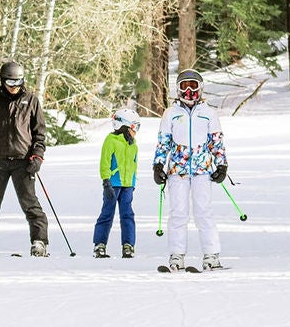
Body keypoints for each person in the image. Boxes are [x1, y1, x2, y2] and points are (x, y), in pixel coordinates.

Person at [0, 60, 49, 257]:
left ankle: (39, 241)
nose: (14, 87)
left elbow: (39, 133)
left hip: (24, 161)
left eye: (18, 82)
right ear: (2, 81)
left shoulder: (31, 101)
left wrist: (37, 156)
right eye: (10, 83)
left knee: (29, 202)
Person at [153, 68, 227, 271]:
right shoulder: (171, 114)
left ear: (200, 88)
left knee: (204, 211)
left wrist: (221, 164)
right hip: (178, 170)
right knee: (178, 213)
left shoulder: (209, 113)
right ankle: (177, 256)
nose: (188, 91)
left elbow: (216, 142)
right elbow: (163, 143)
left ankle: (211, 255)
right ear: (178, 89)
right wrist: (158, 165)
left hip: (203, 170)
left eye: (192, 86)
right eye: (184, 86)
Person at [94, 101, 140, 258]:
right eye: (135, 127)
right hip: (113, 185)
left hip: (127, 186)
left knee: (127, 215)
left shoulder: (133, 145)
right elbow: (104, 162)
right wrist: (106, 181)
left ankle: (128, 245)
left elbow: (134, 165)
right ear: (125, 126)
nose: (136, 132)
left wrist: (133, 183)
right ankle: (99, 245)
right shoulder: (111, 141)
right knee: (107, 213)